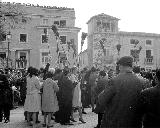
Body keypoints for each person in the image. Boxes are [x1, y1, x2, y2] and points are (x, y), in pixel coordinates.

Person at [96, 56, 145, 128]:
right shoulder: (141, 81)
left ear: (120, 66)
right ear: (131, 66)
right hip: (133, 123)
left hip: (115, 122)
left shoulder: (115, 80)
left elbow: (101, 100)